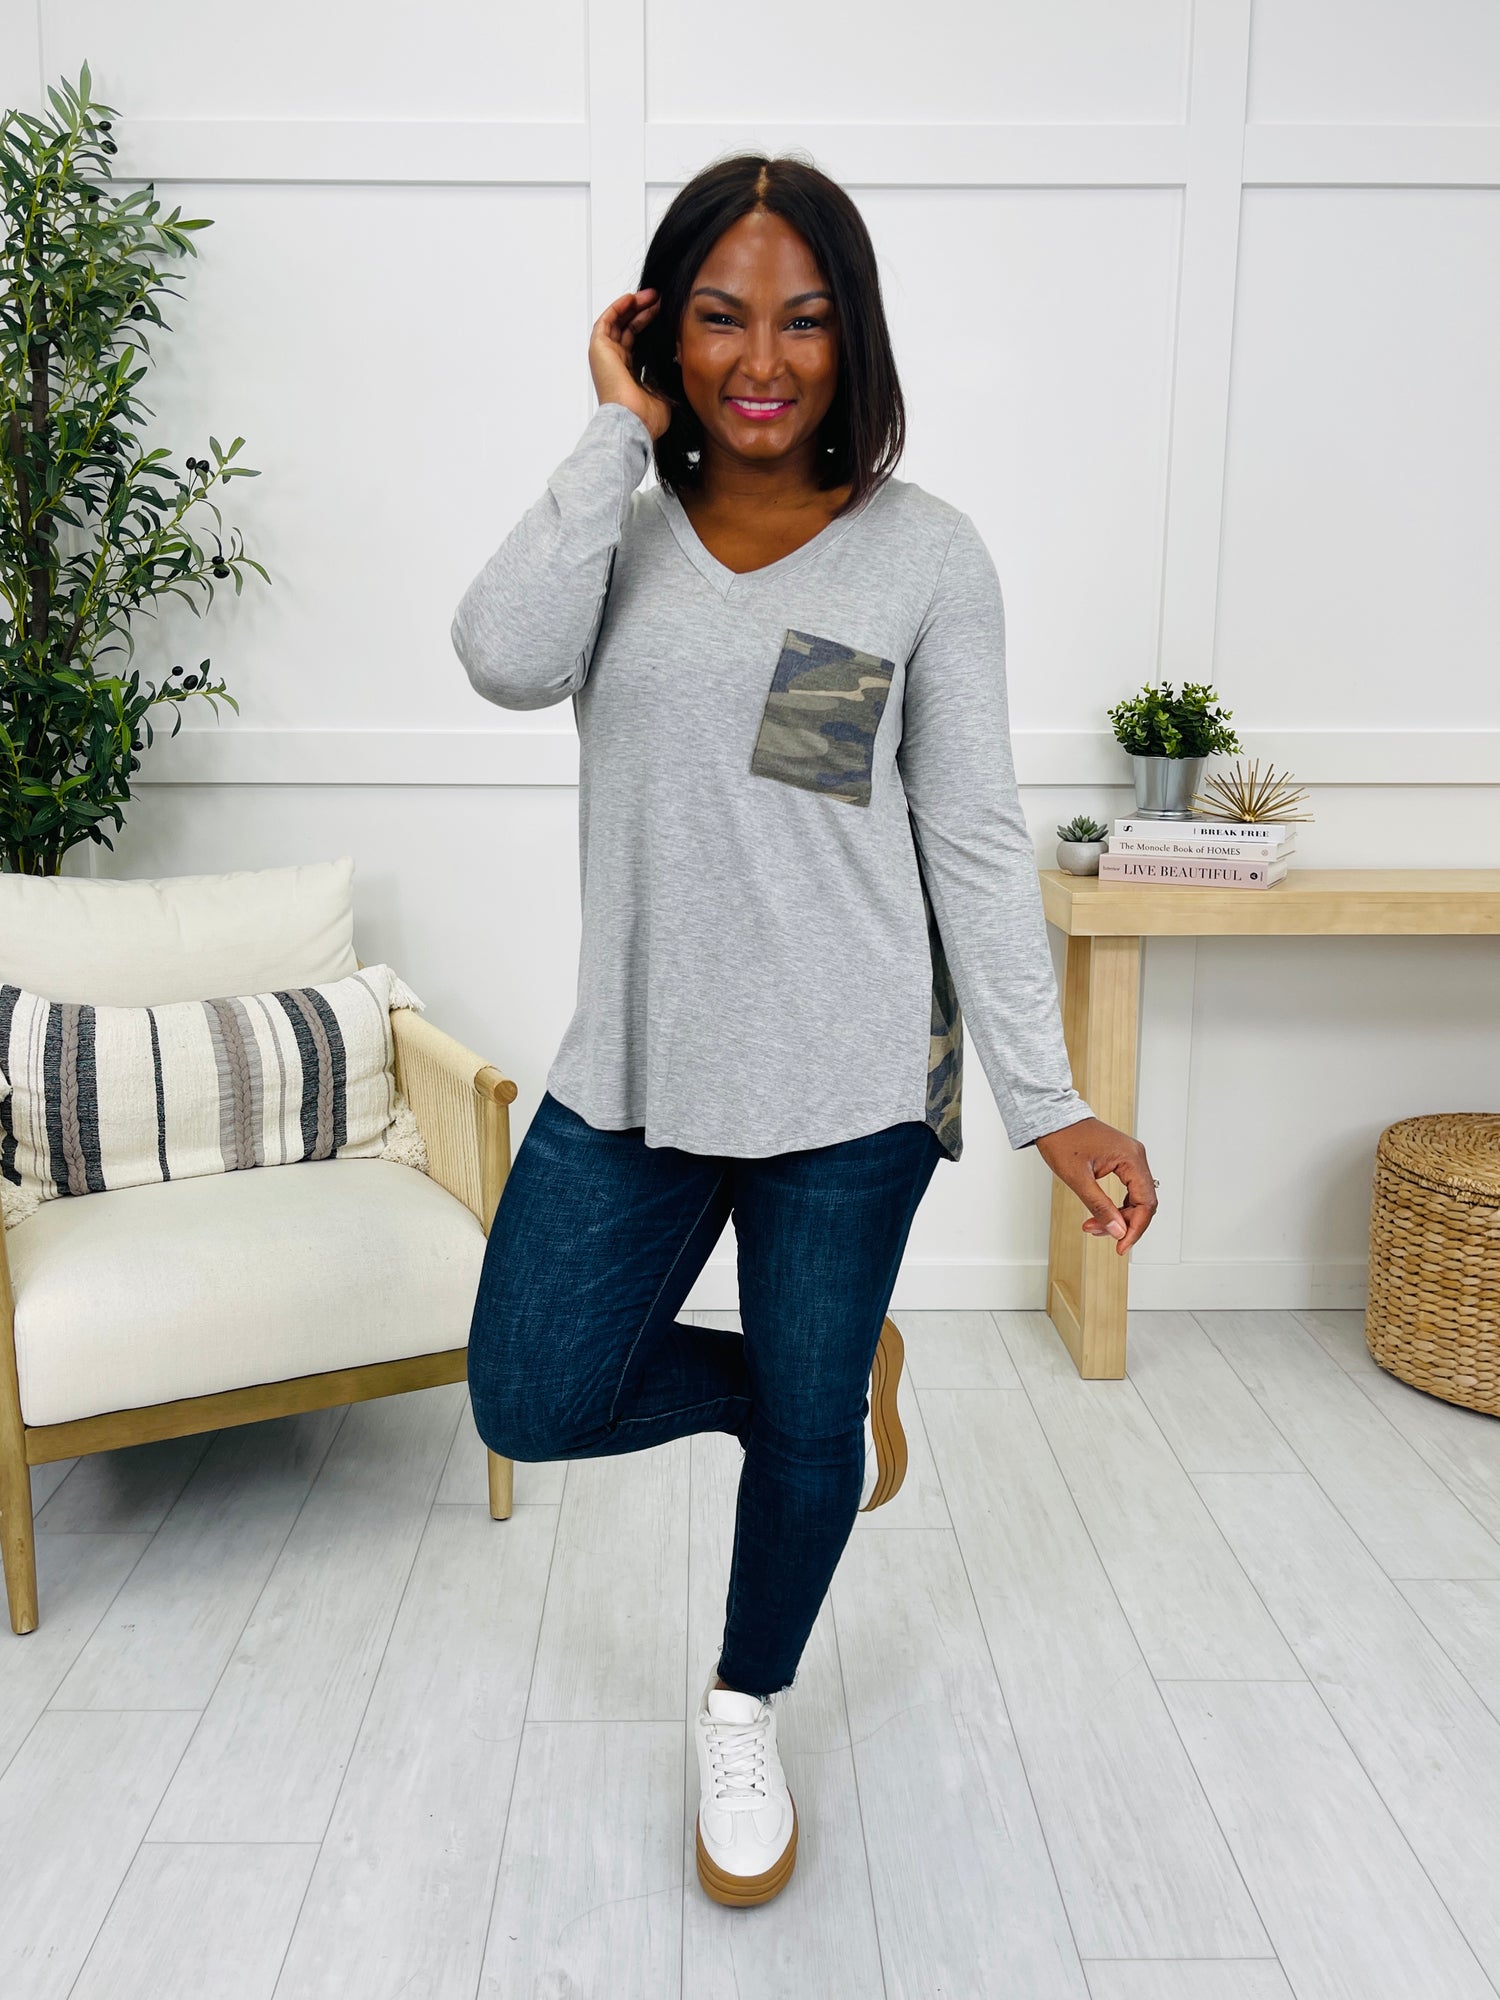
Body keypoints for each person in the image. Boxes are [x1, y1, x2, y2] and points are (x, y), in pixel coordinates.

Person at [449, 152, 1157, 1909]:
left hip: (851, 1080)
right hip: (638, 1065)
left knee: (802, 1433)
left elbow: (970, 834)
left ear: (854, 339)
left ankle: (743, 1702)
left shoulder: (926, 557)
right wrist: (608, 435)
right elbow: (499, 658)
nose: (761, 360)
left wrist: (1050, 1099)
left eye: (805, 321)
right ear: (659, 333)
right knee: (530, 1391)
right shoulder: (615, 534)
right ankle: (824, 1396)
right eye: (718, 318)